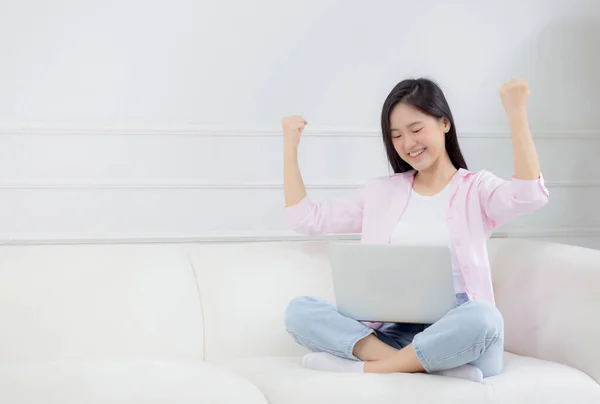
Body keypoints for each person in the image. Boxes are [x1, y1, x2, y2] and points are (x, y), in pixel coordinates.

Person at [281, 77, 549, 382]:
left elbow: (529, 196)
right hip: (392, 330)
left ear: (444, 123)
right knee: (299, 311)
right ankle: (432, 366)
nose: (408, 144)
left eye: (416, 129)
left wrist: (516, 113)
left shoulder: (475, 188)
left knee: (485, 317)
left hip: (458, 328)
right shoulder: (382, 192)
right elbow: (307, 219)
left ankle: (373, 366)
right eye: (396, 136)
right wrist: (290, 146)